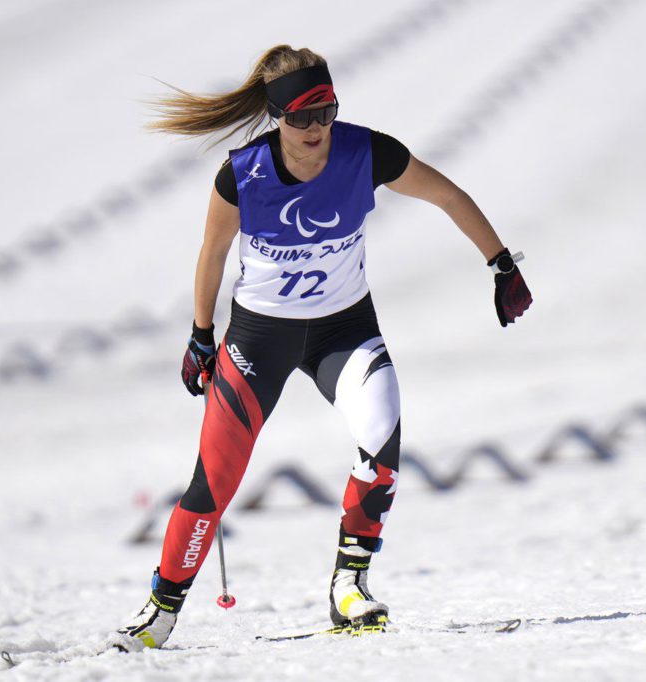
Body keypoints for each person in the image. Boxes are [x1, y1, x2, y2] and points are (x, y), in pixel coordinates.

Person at [114, 45, 532, 651]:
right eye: (302, 118)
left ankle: (349, 585)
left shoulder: (367, 152)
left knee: (382, 440)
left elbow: (448, 195)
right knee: (215, 480)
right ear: (276, 118)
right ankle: (159, 611)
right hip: (260, 338)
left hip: (344, 330)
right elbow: (212, 253)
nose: (317, 130)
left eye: (327, 112)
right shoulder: (243, 173)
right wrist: (202, 336)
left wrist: (501, 265)